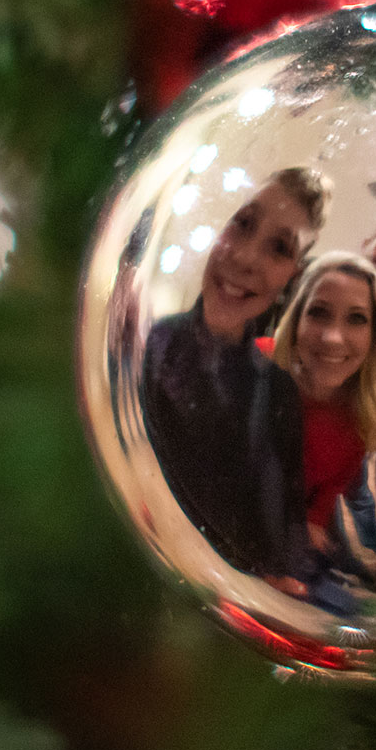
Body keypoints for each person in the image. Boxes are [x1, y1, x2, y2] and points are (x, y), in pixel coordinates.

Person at [140, 168, 328, 577]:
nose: (244, 258)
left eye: (279, 248)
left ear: (291, 277)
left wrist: (283, 572)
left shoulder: (278, 392)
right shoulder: (155, 342)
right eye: (242, 224)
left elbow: (285, 511)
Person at [265, 251, 376, 612]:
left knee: (356, 616)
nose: (332, 337)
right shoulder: (256, 371)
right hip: (239, 543)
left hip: (290, 540)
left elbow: (334, 484)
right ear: (296, 320)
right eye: (318, 313)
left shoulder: (363, 415)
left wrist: (312, 521)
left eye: (357, 319)